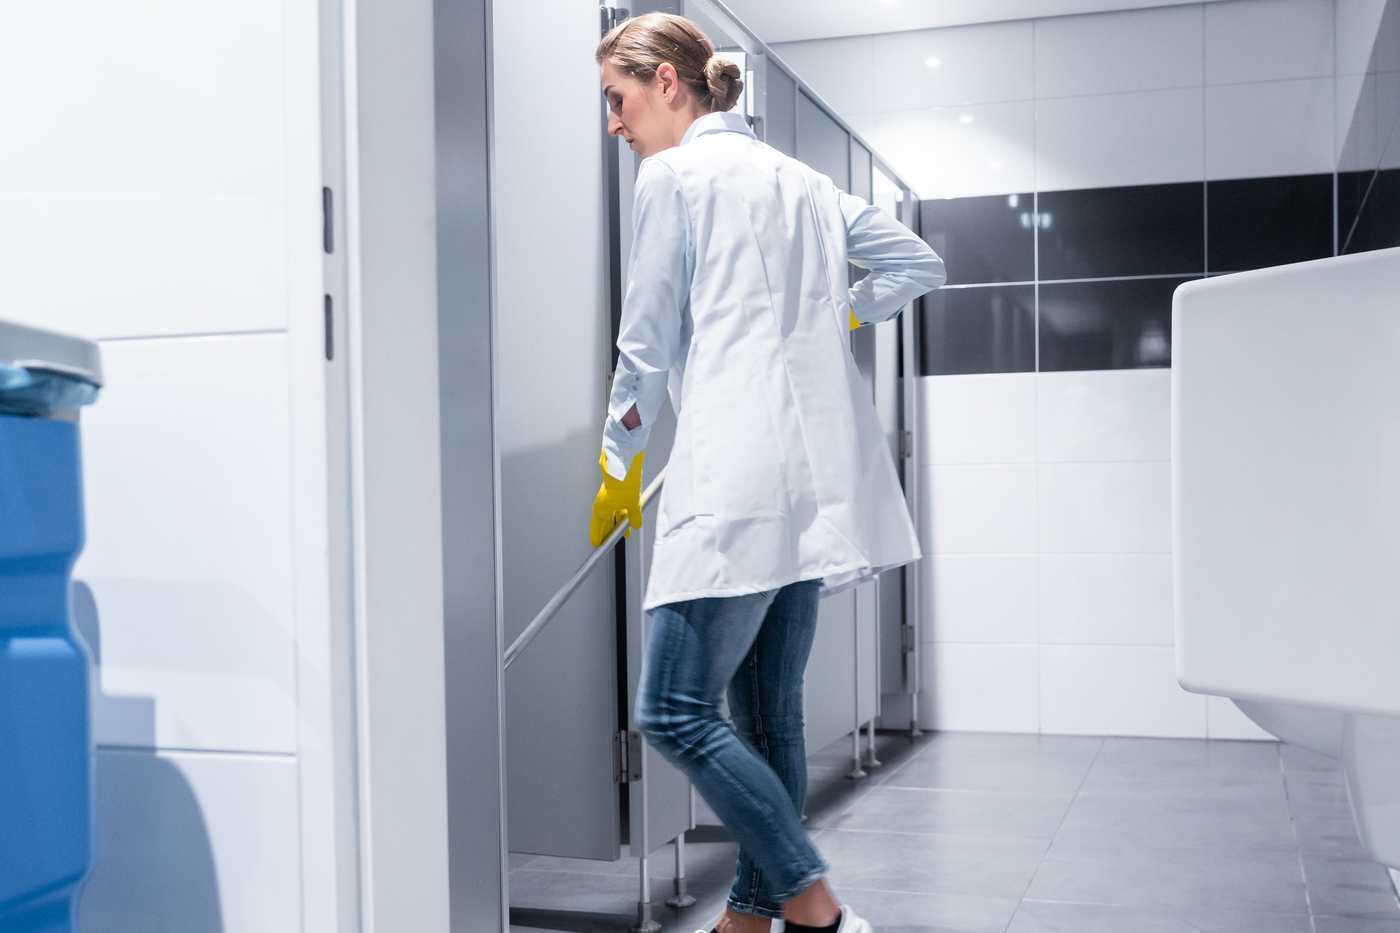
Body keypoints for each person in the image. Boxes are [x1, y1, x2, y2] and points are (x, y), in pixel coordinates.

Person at [589, 13, 945, 933]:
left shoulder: (671, 177)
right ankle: (751, 918)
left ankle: (814, 902)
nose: (615, 124)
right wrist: (846, 317)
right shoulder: (805, 182)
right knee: (769, 713)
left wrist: (618, 461)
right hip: (814, 486)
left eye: (618, 100)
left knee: (671, 709)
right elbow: (919, 263)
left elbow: (646, 344)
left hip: (735, 475)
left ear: (668, 82)